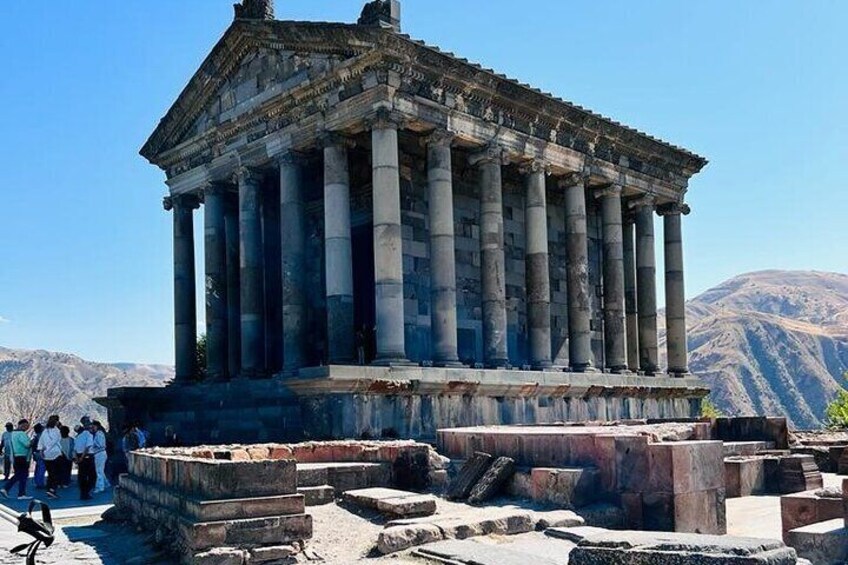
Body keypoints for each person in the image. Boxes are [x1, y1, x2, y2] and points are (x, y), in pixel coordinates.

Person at [0, 419, 33, 500]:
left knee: (20, 475)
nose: (27, 427)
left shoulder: (12, 434)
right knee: (22, 474)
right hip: (22, 456)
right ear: (21, 425)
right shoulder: (21, 434)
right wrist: (33, 442)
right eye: (26, 426)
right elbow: (27, 444)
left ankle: (19, 492)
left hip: (15, 456)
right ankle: (9, 488)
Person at [36, 415, 63, 499]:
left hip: (46, 455)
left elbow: (41, 442)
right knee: (56, 473)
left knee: (50, 473)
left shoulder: (45, 431)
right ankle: (52, 489)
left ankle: (49, 490)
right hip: (55, 453)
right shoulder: (57, 431)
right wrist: (47, 449)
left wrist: (41, 450)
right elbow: (54, 441)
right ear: (57, 422)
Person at [74, 422, 96, 500]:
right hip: (87, 457)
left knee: (82, 476)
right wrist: (82, 457)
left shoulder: (77, 437)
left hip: (80, 457)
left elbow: (75, 450)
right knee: (91, 476)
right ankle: (87, 492)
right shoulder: (88, 435)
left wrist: (77, 458)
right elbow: (87, 447)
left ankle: (83, 493)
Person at [91, 421, 110, 494]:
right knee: (100, 470)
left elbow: (101, 444)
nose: (93, 428)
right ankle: (106, 483)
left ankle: (100, 487)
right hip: (98, 454)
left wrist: (94, 445)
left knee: (99, 471)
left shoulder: (99, 434)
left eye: (94, 426)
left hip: (100, 453)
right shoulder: (97, 434)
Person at [31, 423, 46, 489]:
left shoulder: (36, 436)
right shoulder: (41, 436)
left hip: (36, 454)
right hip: (41, 454)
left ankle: (37, 481)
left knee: (38, 468)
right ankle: (40, 483)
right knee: (41, 469)